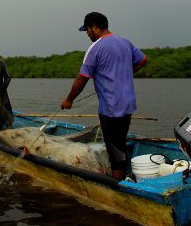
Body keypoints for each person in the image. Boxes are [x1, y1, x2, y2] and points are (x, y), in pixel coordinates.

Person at [60, 12, 147, 180]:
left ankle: (117, 183)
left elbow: (81, 79)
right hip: (128, 104)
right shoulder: (125, 42)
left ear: (94, 27)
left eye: (87, 30)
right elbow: (143, 59)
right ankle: (120, 174)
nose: (87, 34)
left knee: (115, 149)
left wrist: (69, 100)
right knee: (119, 141)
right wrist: (126, 73)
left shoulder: (96, 48)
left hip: (111, 107)